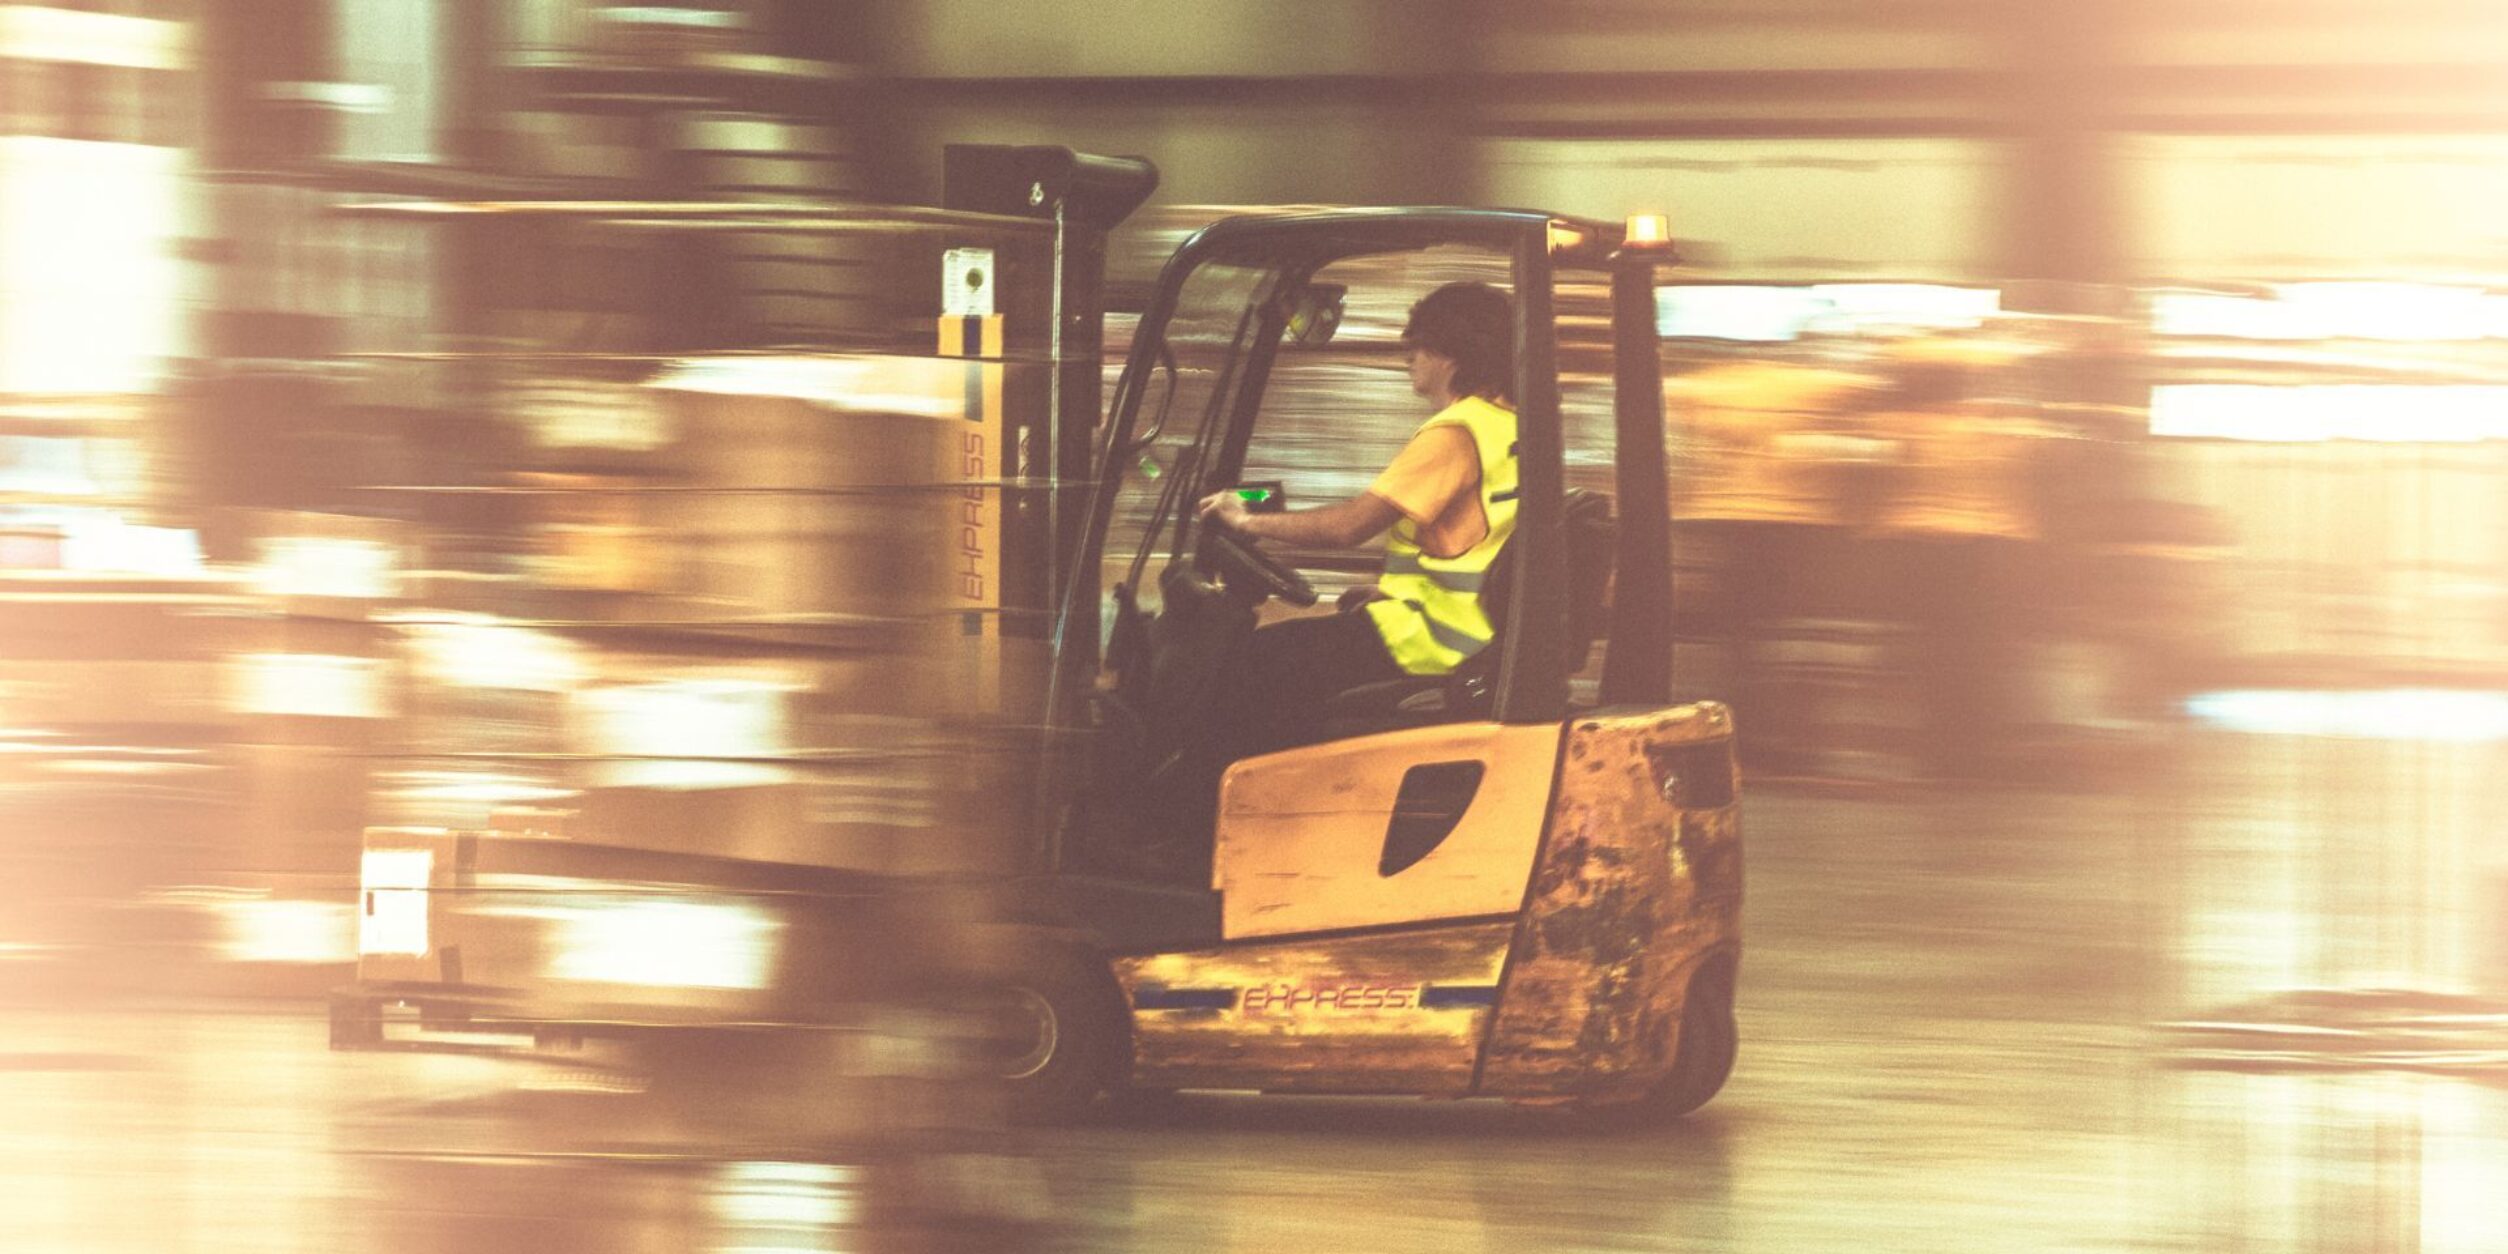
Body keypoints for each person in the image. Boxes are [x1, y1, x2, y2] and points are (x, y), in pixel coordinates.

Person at [1193, 280, 1519, 762]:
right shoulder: (1507, 424)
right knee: (1292, 657)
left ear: (1451, 355)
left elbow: (1348, 526)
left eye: (1419, 344)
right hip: (1462, 634)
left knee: (1249, 663)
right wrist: (1387, 593)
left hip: (1430, 646)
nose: (1409, 356)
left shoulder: (1455, 432)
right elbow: (1471, 544)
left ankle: (1221, 812)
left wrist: (1245, 522)